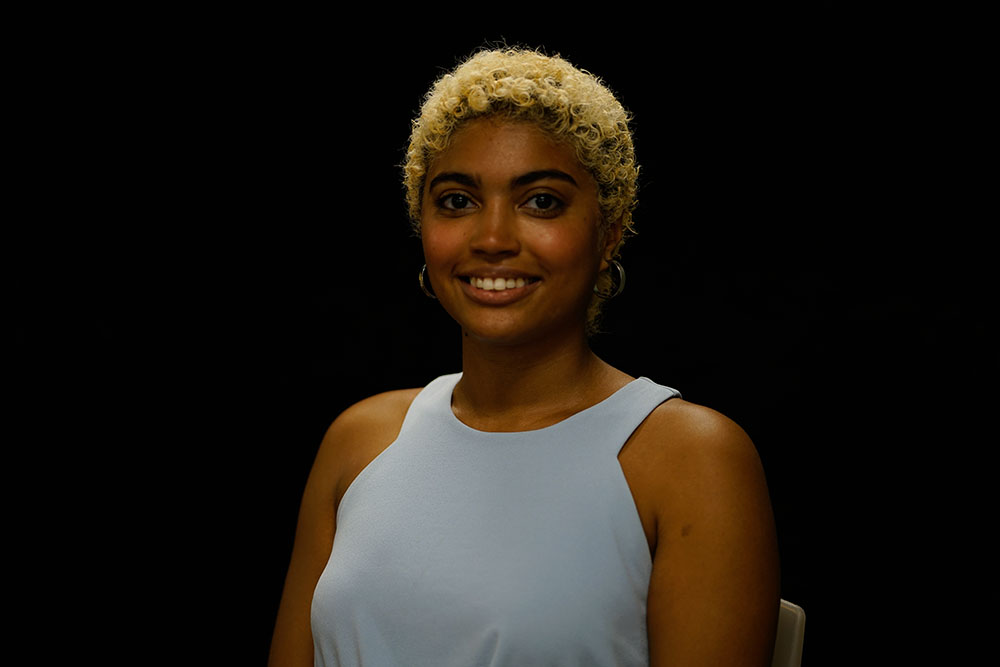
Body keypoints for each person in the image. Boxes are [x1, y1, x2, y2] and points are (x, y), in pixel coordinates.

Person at [269, 47, 780, 667]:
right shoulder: (361, 441)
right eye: (457, 200)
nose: (492, 239)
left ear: (609, 232)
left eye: (541, 201)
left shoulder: (691, 459)